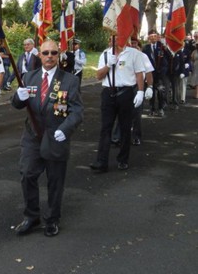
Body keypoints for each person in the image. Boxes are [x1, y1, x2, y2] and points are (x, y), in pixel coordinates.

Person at [11, 40, 83, 237]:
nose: (49, 56)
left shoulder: (70, 80)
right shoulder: (29, 76)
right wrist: (18, 97)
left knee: (55, 180)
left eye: (53, 52)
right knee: (27, 174)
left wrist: (66, 129)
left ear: (58, 55)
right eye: (45, 53)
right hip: (33, 136)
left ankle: (52, 219)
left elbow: (77, 111)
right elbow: (17, 104)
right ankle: (31, 216)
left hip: (56, 136)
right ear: (39, 56)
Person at [90, 36, 145, 173]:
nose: (112, 41)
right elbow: (98, 76)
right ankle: (101, 162)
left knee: (125, 127)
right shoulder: (105, 54)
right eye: (110, 39)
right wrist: (108, 65)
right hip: (108, 93)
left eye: (115, 39)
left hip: (126, 93)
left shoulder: (134, 54)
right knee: (105, 128)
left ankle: (123, 159)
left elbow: (139, 74)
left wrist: (140, 91)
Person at [142, 30, 168, 116]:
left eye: (155, 36)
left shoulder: (162, 47)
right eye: (151, 36)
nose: (153, 37)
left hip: (160, 74)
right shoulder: (146, 48)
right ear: (149, 37)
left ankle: (160, 108)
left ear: (157, 37)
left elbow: (166, 59)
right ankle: (152, 109)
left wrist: (163, 71)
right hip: (150, 74)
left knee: (161, 91)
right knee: (151, 92)